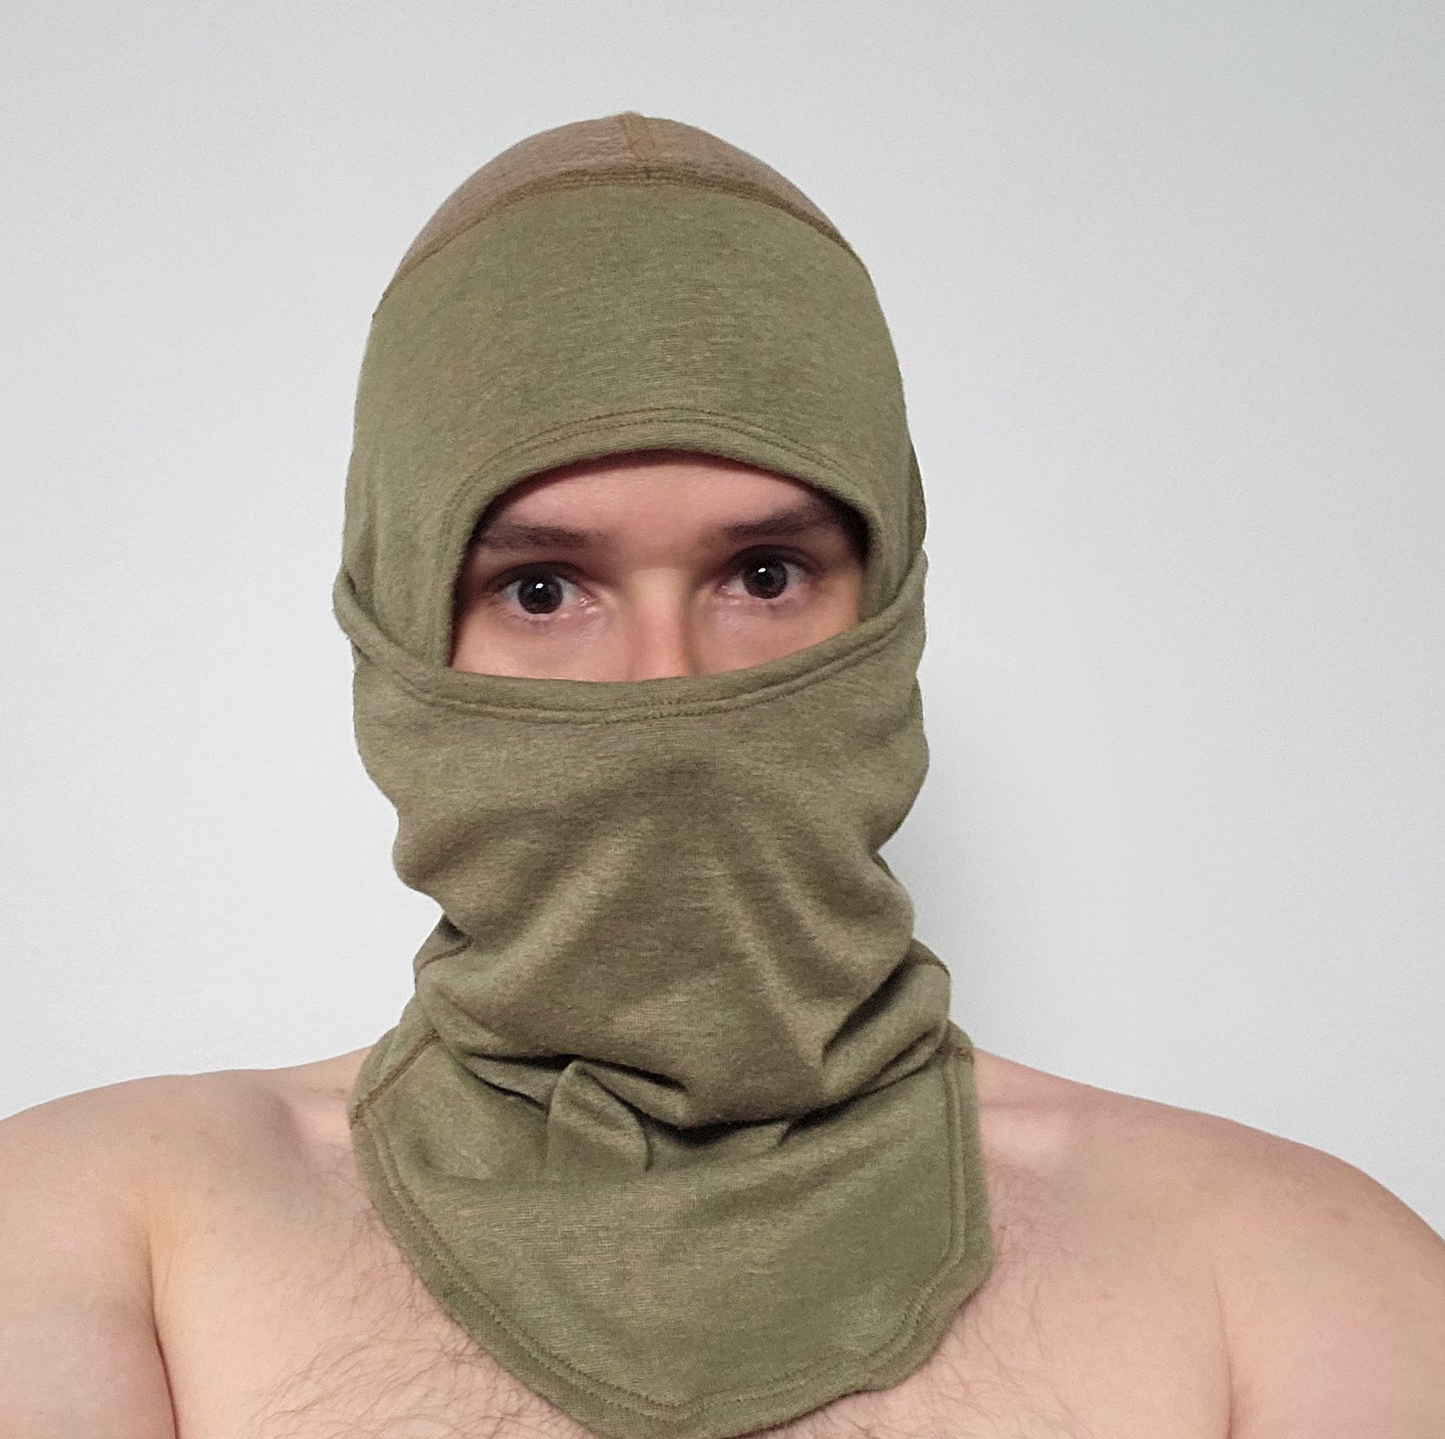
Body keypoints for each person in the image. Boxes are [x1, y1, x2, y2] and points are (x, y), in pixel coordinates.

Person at [1, 113, 1442, 1439]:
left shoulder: (1286, 1279)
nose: (667, 688)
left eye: (763, 575)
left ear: (888, 611)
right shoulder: (105, 1236)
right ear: (397, 637)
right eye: (543, 589)